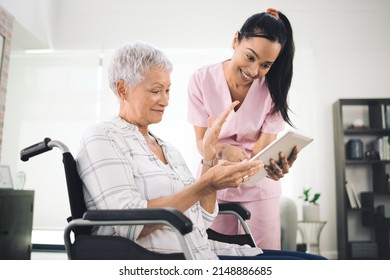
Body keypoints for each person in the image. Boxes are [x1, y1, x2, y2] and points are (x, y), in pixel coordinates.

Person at [76, 41, 325, 260]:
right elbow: (130, 224)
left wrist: (208, 159)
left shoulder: (167, 149)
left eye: (168, 89)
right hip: (168, 258)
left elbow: (202, 219)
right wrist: (206, 184)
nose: (165, 100)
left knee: (315, 262)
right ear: (122, 89)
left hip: (204, 251)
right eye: (155, 90)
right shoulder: (103, 137)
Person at [187, 8, 297, 250]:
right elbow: (200, 142)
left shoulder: (275, 89)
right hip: (214, 180)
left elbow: (263, 148)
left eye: (266, 65)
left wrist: (273, 165)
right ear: (235, 40)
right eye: (250, 57)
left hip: (259, 184)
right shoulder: (201, 79)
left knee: (264, 257)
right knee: (214, 254)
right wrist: (223, 150)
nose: (254, 71)